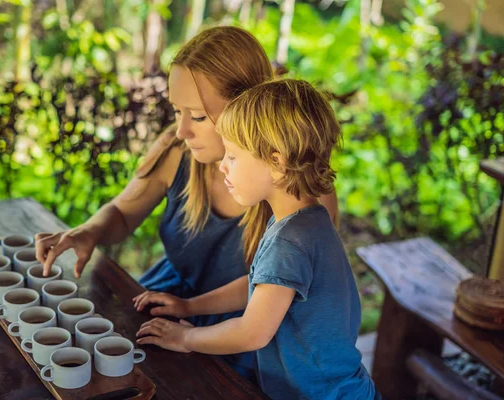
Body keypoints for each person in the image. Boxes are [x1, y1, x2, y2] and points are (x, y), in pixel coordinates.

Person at [34, 27, 339, 379]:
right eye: (176, 111)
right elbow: (121, 212)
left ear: (247, 109)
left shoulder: (301, 194)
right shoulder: (178, 150)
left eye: (196, 116)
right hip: (171, 299)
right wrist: (88, 231)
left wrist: (192, 321)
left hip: (246, 328)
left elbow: (266, 300)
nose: (180, 131)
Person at [135, 79, 379, 400]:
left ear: (277, 164)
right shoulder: (308, 220)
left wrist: (186, 338)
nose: (222, 166)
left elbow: (251, 333)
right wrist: (189, 306)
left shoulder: (290, 241)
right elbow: (259, 288)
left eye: (233, 157)